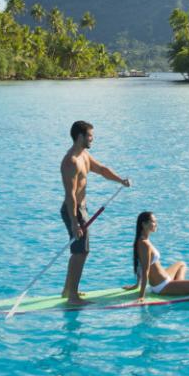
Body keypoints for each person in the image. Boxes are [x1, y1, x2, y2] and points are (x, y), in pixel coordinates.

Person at [60, 120, 130, 306]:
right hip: (73, 210)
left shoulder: (84, 155)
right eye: (90, 135)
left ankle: (68, 290)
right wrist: (75, 222)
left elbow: (101, 169)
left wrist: (120, 180)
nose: (93, 138)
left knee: (79, 251)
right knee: (81, 252)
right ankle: (72, 296)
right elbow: (70, 196)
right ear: (80, 136)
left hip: (80, 210)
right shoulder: (71, 162)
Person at [130, 211, 189, 301]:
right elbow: (145, 269)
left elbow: (139, 263)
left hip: (165, 278)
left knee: (181, 264)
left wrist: (137, 285)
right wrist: (141, 296)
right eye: (153, 222)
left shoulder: (143, 240)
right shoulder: (144, 244)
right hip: (162, 286)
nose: (156, 224)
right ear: (144, 224)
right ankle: (178, 285)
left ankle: (178, 284)